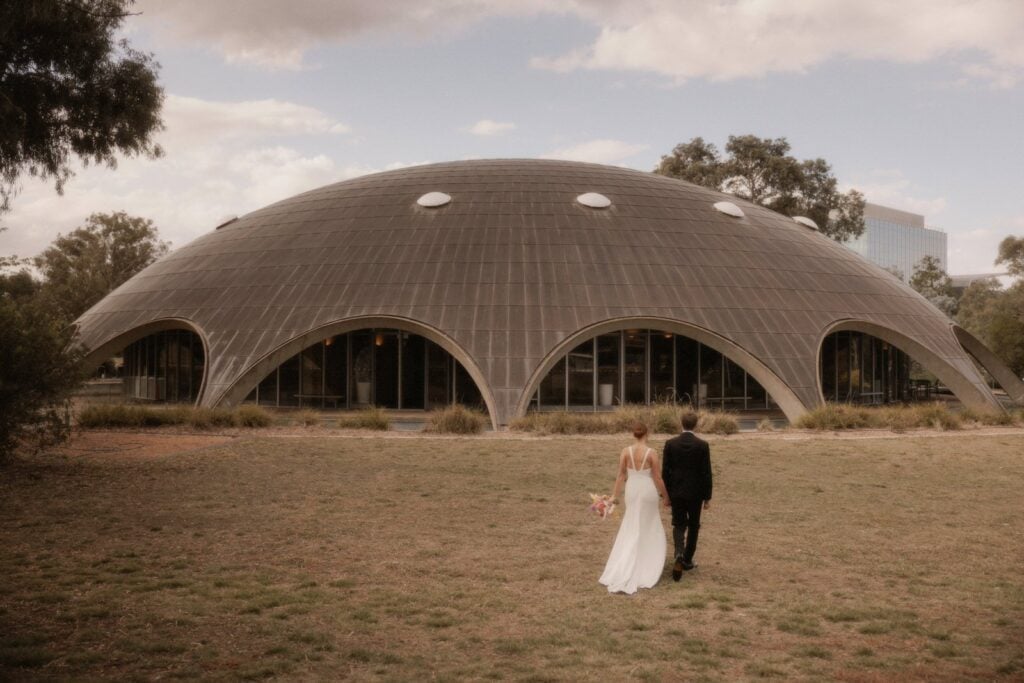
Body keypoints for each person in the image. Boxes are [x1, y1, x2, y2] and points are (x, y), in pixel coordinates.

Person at [598, 422, 670, 594]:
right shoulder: (651, 453)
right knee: (648, 525)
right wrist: (666, 496)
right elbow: (658, 478)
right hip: (647, 491)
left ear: (633, 434)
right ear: (647, 434)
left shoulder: (625, 451)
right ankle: (646, 561)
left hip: (632, 490)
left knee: (632, 524)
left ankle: (629, 559)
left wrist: (614, 496)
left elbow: (621, 475)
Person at [662, 410, 713, 582]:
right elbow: (706, 473)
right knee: (693, 525)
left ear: (681, 424)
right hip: (696, 492)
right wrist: (707, 497)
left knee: (678, 523)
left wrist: (665, 494)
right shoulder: (702, 445)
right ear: (696, 424)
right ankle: (687, 559)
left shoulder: (670, 444)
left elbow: (665, 471)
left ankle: (678, 553)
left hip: (676, 491)